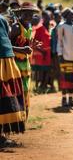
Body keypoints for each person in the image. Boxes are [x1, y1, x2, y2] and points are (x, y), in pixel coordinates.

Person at [0, 15, 27, 146]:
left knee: (7, 99)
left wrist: (21, 49)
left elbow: (6, 43)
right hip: (5, 63)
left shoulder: (3, 20)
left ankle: (2, 136)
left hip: (7, 62)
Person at [10, 2, 40, 116]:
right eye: (26, 14)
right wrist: (22, 50)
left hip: (26, 64)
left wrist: (33, 45)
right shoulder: (16, 27)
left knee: (26, 89)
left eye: (31, 14)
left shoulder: (29, 27)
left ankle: (24, 114)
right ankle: (16, 115)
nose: (29, 16)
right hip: (15, 64)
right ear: (21, 14)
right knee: (17, 90)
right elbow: (7, 46)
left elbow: (26, 44)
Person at [57, 8, 73, 107]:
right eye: (70, 15)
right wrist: (60, 54)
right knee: (64, 79)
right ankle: (63, 99)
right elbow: (60, 41)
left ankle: (71, 98)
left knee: (72, 78)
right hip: (65, 56)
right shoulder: (62, 26)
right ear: (66, 16)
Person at [31, 10, 52, 91]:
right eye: (45, 17)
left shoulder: (50, 27)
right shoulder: (40, 28)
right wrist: (41, 50)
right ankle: (38, 87)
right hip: (41, 53)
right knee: (39, 71)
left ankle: (44, 86)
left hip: (47, 52)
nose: (47, 18)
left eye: (48, 17)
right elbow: (34, 40)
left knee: (46, 70)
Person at [50, 9, 62, 91]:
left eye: (58, 16)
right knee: (56, 69)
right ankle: (59, 86)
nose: (56, 18)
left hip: (60, 52)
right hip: (54, 52)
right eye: (55, 16)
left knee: (61, 69)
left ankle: (62, 86)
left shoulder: (61, 26)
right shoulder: (53, 28)